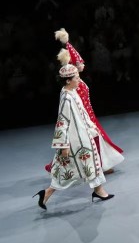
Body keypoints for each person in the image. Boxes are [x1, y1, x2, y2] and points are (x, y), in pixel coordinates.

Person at [34, 64, 114, 210]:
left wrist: (91, 126)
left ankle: (98, 190)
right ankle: (47, 192)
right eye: (76, 78)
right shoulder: (66, 98)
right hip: (75, 139)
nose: (79, 80)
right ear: (68, 81)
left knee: (90, 162)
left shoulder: (71, 92)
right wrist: (64, 144)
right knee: (70, 168)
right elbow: (62, 121)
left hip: (83, 134)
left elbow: (82, 111)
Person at [52, 28, 124, 173]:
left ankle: (101, 165)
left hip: (88, 115)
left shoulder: (77, 81)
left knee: (96, 137)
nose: (83, 64)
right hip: (81, 118)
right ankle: (97, 166)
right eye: (80, 62)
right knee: (89, 139)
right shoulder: (72, 86)